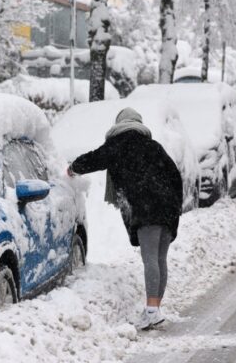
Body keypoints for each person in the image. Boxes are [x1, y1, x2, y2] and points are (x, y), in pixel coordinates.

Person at [67, 107, 183, 330]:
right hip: (167, 207)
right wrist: (174, 206)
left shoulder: (119, 144)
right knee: (159, 258)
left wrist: (73, 168)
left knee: (150, 258)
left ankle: (152, 311)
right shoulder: (154, 147)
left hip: (147, 207)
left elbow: (95, 159)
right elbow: (175, 176)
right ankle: (154, 309)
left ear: (119, 124)